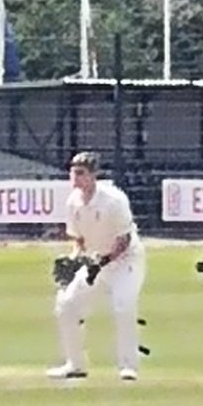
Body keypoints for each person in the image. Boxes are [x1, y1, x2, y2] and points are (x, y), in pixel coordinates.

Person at [48, 151, 146, 381]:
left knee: (123, 307)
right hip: (96, 262)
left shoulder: (114, 199)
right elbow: (79, 239)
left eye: (81, 172)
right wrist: (75, 259)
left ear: (93, 175)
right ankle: (75, 364)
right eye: (73, 171)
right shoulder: (73, 202)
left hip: (126, 261)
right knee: (66, 305)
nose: (75, 176)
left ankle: (128, 366)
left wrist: (102, 262)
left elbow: (124, 240)